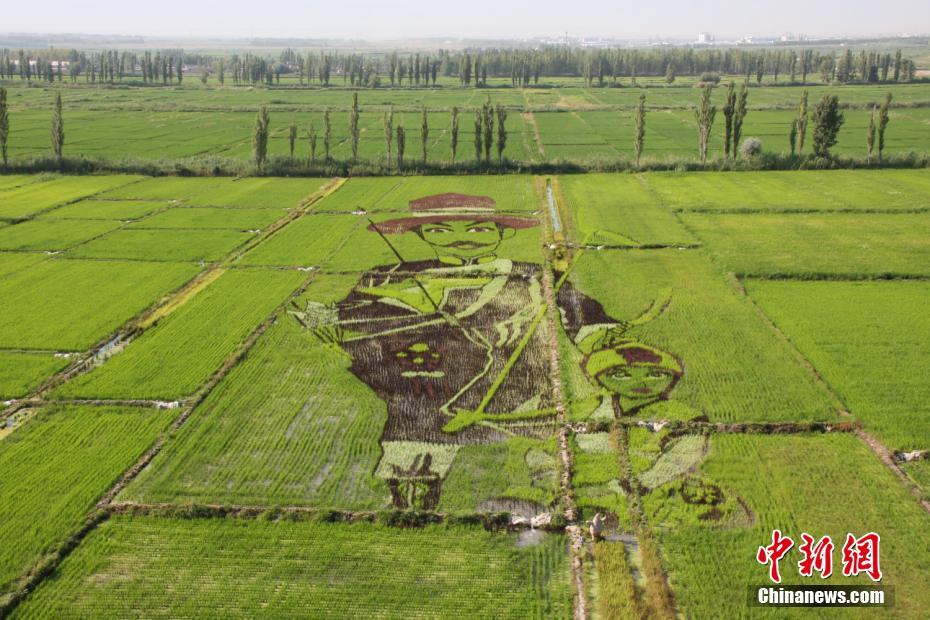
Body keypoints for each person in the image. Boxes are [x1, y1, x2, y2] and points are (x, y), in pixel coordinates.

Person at [291, 192, 626, 510]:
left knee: (538, 440)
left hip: (510, 379)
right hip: (424, 379)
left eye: (479, 228)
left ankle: (550, 489)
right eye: (439, 229)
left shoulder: (530, 275)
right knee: (415, 433)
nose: (462, 237)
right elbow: (358, 317)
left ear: (500, 233)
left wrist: (598, 335)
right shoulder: (389, 276)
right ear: (422, 234)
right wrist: (335, 318)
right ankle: (410, 495)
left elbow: (579, 312)